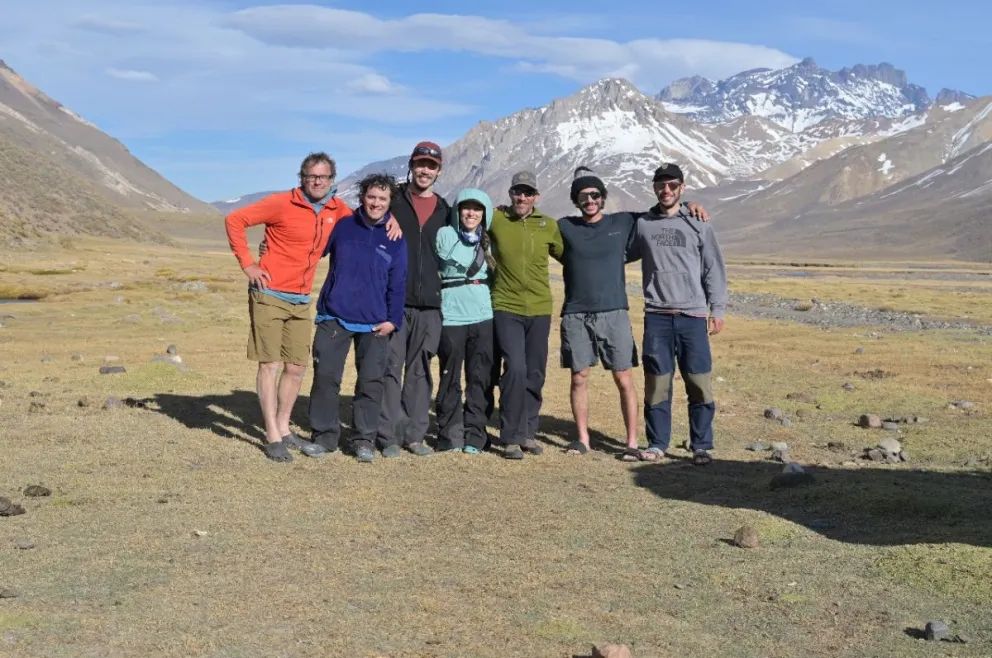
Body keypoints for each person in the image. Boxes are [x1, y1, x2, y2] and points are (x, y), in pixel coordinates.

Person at [558, 167, 709, 458]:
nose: (589, 200)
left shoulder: (625, 222)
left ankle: (631, 443)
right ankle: (582, 439)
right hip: (576, 313)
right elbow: (538, 230)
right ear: (576, 201)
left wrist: (691, 204)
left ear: (602, 198)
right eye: (583, 196)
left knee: (624, 378)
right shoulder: (565, 226)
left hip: (614, 312)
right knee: (579, 377)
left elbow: (665, 209)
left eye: (594, 195)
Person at [224, 153, 353, 463]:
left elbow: (364, 225)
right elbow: (234, 220)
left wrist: (392, 226)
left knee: (296, 367)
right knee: (269, 363)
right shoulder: (282, 203)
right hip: (269, 292)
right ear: (302, 178)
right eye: (312, 176)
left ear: (332, 179)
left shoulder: (339, 210)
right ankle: (271, 433)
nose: (318, 181)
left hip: (300, 298)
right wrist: (249, 265)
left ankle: (284, 426)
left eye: (323, 177)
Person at [301, 174, 407, 463]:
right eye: (371, 197)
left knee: (371, 382)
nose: (376, 203)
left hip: (375, 323)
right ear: (363, 197)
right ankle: (323, 437)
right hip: (334, 315)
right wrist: (270, 249)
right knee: (325, 378)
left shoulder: (395, 238)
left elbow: (398, 284)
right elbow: (310, 249)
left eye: (382, 199)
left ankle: (364, 440)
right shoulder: (344, 226)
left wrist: (393, 320)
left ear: (389, 203)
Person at [626, 163, 727, 465]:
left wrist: (716, 309)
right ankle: (657, 443)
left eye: (672, 185)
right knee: (657, 383)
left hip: (693, 316)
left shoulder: (698, 222)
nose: (666, 190)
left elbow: (713, 269)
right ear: (654, 188)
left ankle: (701, 445)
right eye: (660, 185)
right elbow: (617, 252)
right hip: (657, 315)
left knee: (699, 382)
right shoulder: (643, 223)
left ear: (682, 188)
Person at [377, 141, 451, 457]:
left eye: (431, 166)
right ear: (411, 165)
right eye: (420, 164)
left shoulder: (446, 210)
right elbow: (364, 218)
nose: (425, 170)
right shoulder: (392, 199)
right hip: (394, 301)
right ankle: (388, 435)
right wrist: (384, 218)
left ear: (438, 170)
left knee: (421, 369)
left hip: (431, 305)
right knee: (390, 367)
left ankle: (415, 435)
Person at [488, 171, 564, 459]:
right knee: (516, 369)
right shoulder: (496, 219)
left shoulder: (548, 226)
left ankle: (528, 432)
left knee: (535, 372)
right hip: (506, 306)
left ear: (536, 196)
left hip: (540, 308)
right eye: (517, 192)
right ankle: (509, 436)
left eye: (528, 193)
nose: (522, 197)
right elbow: (466, 223)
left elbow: (569, 256)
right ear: (510, 194)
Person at [433, 189, 496, 454]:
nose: (471, 213)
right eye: (466, 208)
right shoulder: (445, 234)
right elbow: (456, 258)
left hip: (482, 314)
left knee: (479, 377)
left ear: (485, 214)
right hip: (452, 315)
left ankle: (475, 436)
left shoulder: (488, 241)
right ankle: (449, 435)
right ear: (457, 211)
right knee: (449, 376)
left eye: (478, 209)